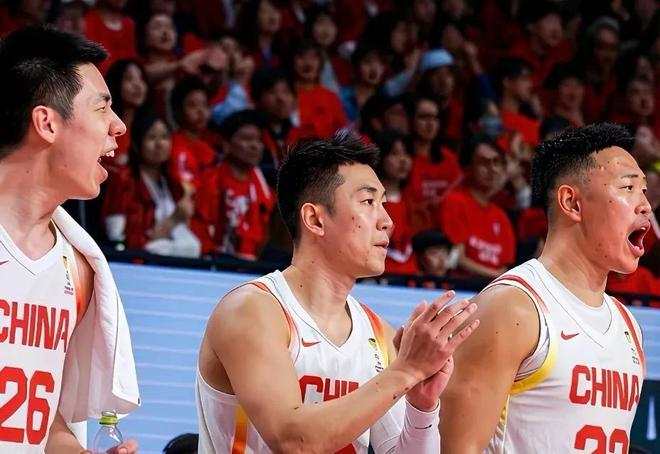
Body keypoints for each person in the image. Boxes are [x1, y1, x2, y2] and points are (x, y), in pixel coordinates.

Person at [195, 132, 480, 453]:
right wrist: (406, 371)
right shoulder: (252, 310)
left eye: (384, 204)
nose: (386, 221)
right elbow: (292, 441)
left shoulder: (378, 334)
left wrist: (421, 406)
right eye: (369, 202)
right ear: (315, 219)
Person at [440, 123, 650, 452]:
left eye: (644, 191)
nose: (645, 205)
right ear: (572, 202)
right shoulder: (512, 307)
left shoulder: (629, 327)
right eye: (628, 188)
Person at [0, 26, 139, 453]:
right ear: (47, 122)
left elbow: (41, 420)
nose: (118, 126)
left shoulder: (79, 268)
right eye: (102, 107)